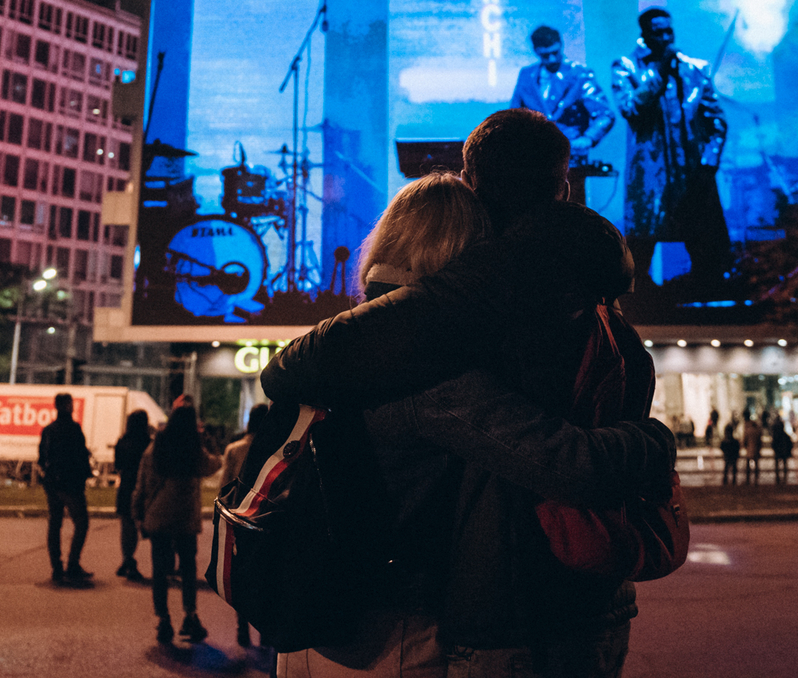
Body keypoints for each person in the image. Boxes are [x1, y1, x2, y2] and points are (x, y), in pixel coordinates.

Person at [265, 112, 676, 678]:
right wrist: (655, 441)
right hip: (418, 630)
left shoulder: (380, 345)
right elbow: (568, 461)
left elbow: (299, 367)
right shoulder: (439, 365)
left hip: (348, 620)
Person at [610, 8, 730, 297]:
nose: (665, 38)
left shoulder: (694, 68)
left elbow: (717, 121)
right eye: (658, 33)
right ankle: (644, 302)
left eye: (669, 32)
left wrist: (708, 162)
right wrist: (658, 72)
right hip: (650, 174)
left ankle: (705, 300)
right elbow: (630, 108)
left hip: (692, 172)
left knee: (703, 245)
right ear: (645, 34)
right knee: (643, 242)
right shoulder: (626, 67)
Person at [133, 398, 222, 645]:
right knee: (188, 568)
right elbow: (213, 464)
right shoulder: (193, 449)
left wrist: (138, 512)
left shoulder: (156, 446)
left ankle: (163, 621)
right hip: (185, 518)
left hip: (159, 515)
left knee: (160, 571)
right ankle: (190, 615)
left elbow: (142, 484)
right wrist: (208, 441)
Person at [509, 26, 615, 155]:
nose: (552, 59)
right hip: (533, 154)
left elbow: (605, 113)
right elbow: (514, 115)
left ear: (561, 45)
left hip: (570, 153)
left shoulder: (579, 75)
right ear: (536, 51)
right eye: (546, 55)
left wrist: (588, 138)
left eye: (555, 52)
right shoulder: (527, 75)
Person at [220, 404, 268, 646]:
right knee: (265, 573)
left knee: (241, 572)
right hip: (266, 519)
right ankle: (265, 629)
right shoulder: (273, 448)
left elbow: (225, 486)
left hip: (239, 518)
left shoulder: (235, 449)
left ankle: (242, 625)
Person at [38, 392, 93, 584]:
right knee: (82, 522)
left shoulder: (49, 430)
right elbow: (79, 456)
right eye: (70, 404)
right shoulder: (73, 428)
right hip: (71, 484)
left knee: (55, 524)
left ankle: (56, 567)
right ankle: (73, 563)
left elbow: (41, 458)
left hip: (52, 483)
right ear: (66, 406)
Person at [113, 410, 153, 582]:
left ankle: (126, 559)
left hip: (125, 486)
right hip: (142, 488)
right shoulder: (147, 443)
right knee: (139, 526)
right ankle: (130, 561)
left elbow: (118, 466)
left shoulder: (122, 442)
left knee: (126, 526)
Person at [741, 412, 762, 484]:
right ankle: (756, 478)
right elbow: (760, 441)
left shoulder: (748, 431)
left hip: (749, 449)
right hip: (756, 449)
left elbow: (744, 441)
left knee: (748, 466)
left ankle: (748, 479)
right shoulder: (757, 431)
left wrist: (744, 446)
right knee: (756, 465)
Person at [771, 417, 794, 484]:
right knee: (784, 465)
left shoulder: (776, 436)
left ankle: (778, 478)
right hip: (784, 452)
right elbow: (790, 444)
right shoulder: (785, 436)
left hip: (778, 452)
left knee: (778, 465)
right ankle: (784, 478)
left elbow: (773, 444)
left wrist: (775, 450)